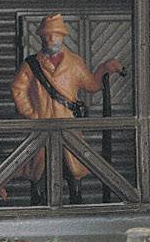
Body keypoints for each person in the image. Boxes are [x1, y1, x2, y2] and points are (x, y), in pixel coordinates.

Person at [9, 12, 122, 200]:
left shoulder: (74, 62)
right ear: (41, 37)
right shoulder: (31, 64)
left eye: (55, 35)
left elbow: (92, 84)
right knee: (39, 176)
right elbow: (17, 89)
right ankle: (39, 210)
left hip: (69, 128)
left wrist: (104, 69)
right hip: (42, 129)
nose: (51, 39)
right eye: (47, 35)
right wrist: (31, 113)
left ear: (63, 36)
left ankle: (75, 205)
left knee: (73, 173)